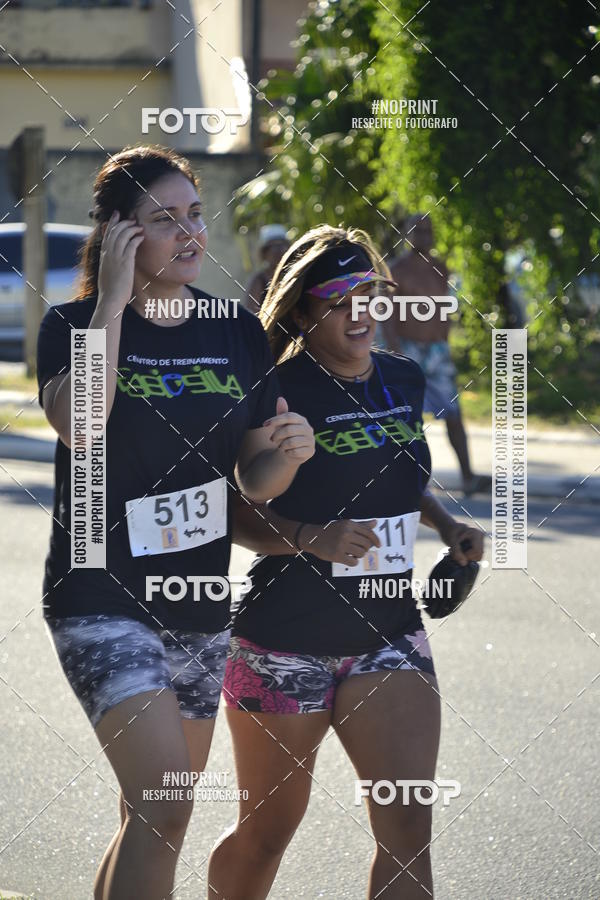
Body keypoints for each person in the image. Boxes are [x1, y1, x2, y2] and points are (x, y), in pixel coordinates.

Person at [36, 145, 315, 900]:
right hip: (100, 592)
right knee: (165, 806)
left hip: (197, 601)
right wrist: (114, 299)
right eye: (165, 220)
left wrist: (286, 457)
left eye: (195, 215)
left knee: (150, 815)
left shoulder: (236, 332)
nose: (190, 233)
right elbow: (81, 424)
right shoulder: (73, 326)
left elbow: (252, 476)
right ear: (121, 234)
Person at [208, 225, 484, 899]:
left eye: (370, 292)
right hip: (283, 645)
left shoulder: (403, 378)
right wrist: (313, 536)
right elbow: (236, 510)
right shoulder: (276, 390)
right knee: (267, 833)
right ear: (303, 310)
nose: (361, 310)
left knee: (408, 835)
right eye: (339, 298)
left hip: (388, 635)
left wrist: (448, 524)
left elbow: (393, 475)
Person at [383, 213, 491, 496]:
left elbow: (445, 310)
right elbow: (387, 315)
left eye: (428, 230)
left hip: (438, 353)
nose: (424, 235)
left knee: (454, 414)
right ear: (406, 233)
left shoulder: (440, 268)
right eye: (418, 230)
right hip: (408, 350)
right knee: (409, 418)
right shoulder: (395, 270)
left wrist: (444, 345)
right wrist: (395, 353)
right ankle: (412, 481)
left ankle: (468, 476)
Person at [241, 224, 290, 313]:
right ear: (265, 253)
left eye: (282, 246)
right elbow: (251, 312)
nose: (279, 251)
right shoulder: (259, 280)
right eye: (274, 247)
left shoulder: (293, 276)